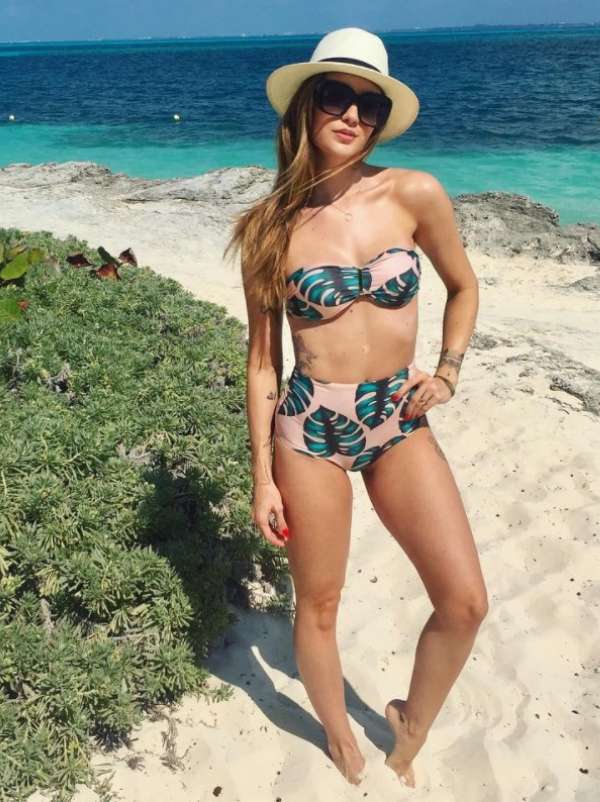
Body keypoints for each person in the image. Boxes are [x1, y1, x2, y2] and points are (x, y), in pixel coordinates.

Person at [225, 26, 486, 788]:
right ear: (306, 106)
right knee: (319, 604)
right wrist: (262, 477)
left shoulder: (414, 193)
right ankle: (338, 734)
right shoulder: (269, 228)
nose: (351, 114)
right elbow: (263, 362)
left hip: (397, 419)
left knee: (465, 602)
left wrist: (448, 371)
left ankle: (410, 722)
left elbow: (464, 286)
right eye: (336, 96)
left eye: (368, 105)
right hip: (309, 429)